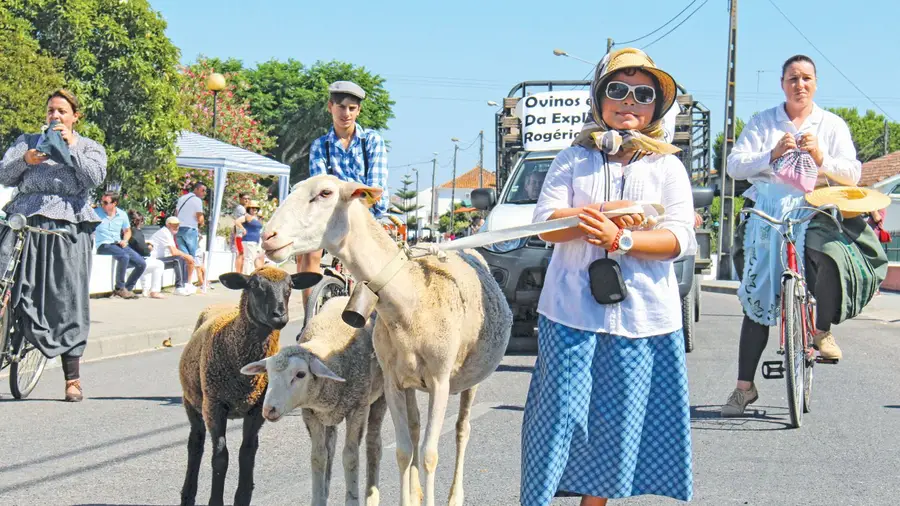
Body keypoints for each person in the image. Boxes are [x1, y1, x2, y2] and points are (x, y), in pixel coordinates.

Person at [521, 48, 695, 506]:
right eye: (617, 90)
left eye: (642, 94)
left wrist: (623, 241)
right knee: (558, 422)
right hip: (569, 314)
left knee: (616, 434)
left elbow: (679, 240)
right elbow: (547, 224)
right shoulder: (571, 159)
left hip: (642, 322)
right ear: (599, 98)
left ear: (656, 106)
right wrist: (602, 215)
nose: (628, 101)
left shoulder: (668, 167)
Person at [721, 55, 888, 417]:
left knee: (828, 253)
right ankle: (743, 389)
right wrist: (771, 153)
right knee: (758, 295)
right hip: (768, 208)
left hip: (814, 207)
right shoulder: (763, 122)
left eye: (807, 78)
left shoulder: (831, 124)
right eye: (793, 78)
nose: (800, 84)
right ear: (782, 83)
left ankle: (821, 330)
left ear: (816, 83)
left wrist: (821, 158)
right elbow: (735, 166)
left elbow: (853, 172)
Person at [0, 89, 106, 402]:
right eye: (50, 111)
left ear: (75, 117)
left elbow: (95, 178)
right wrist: (25, 160)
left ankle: (72, 380)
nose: (55, 116)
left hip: (67, 227)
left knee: (67, 298)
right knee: (5, 282)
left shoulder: (89, 146)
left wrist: (72, 148)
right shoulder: (27, 141)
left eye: (61, 111)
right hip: (22, 220)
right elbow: (4, 174)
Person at [295, 80, 388, 303]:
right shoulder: (320, 146)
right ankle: (310, 319)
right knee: (307, 251)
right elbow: (319, 189)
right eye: (340, 107)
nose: (346, 113)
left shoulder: (372, 142)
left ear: (359, 110)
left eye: (352, 108)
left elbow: (374, 192)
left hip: (366, 217)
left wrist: (353, 206)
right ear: (330, 107)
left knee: (381, 270)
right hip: (329, 216)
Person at [95, 192, 146, 299]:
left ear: (114, 203)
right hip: (104, 245)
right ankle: (119, 288)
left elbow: (127, 231)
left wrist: (125, 240)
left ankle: (128, 288)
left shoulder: (122, 214)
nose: (102, 205)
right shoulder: (96, 212)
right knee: (124, 256)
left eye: (105, 202)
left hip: (118, 244)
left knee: (141, 263)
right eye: (102, 202)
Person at [150, 216, 195, 296]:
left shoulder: (169, 233)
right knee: (178, 259)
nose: (176, 227)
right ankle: (179, 287)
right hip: (153, 260)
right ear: (168, 225)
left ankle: (184, 285)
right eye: (174, 225)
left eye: (177, 225)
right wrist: (187, 256)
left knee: (182, 258)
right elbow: (174, 252)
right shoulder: (165, 232)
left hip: (159, 259)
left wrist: (186, 256)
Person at [127, 210, 165, 299]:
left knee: (146, 263)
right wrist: (149, 247)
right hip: (134, 265)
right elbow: (144, 251)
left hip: (127, 263)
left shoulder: (125, 230)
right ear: (139, 221)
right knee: (159, 264)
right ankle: (154, 291)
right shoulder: (136, 232)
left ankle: (145, 290)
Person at [175, 183, 206, 258]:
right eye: (203, 190)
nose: (204, 193)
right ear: (196, 189)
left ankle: (184, 270)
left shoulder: (182, 198)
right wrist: (202, 223)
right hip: (190, 230)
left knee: (184, 256)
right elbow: (200, 219)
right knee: (192, 256)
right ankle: (191, 270)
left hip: (179, 229)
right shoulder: (197, 200)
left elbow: (176, 213)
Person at [234, 200, 264, 275]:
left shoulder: (256, 218)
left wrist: (260, 217)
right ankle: (247, 274)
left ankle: (249, 273)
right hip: (249, 240)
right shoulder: (247, 216)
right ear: (249, 209)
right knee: (249, 258)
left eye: (256, 208)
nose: (254, 210)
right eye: (252, 208)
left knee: (252, 258)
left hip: (255, 240)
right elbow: (237, 221)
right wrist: (243, 229)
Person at [232, 193, 249, 272]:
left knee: (243, 254)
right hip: (240, 234)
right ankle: (238, 272)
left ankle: (240, 271)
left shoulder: (242, 208)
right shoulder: (241, 208)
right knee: (241, 253)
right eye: (245, 198)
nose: (247, 200)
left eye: (248, 199)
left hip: (241, 234)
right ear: (240, 199)